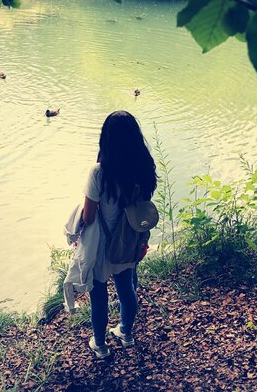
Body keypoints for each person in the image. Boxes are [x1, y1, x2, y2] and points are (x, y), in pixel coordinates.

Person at [81, 110, 157, 359]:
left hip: (102, 245)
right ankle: (126, 333)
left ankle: (100, 346)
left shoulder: (99, 172)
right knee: (127, 290)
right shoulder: (144, 168)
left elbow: (89, 217)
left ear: (106, 139)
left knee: (99, 295)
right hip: (129, 240)